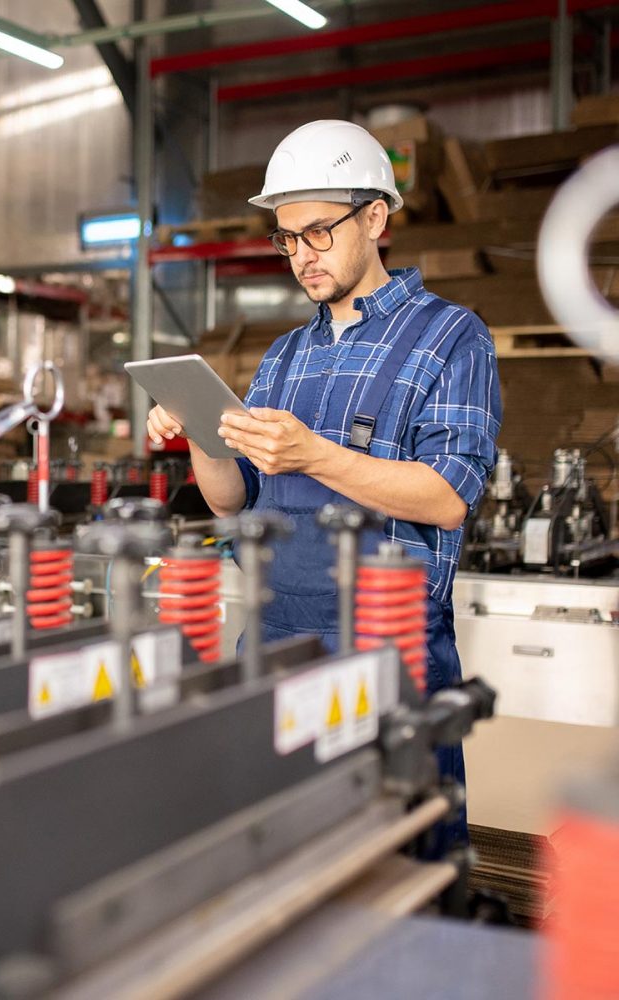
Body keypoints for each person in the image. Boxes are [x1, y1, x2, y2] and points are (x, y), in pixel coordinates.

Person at [147, 120, 502, 848]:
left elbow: (446, 496)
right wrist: (201, 433)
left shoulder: (452, 336)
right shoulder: (283, 356)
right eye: (286, 238)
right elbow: (231, 500)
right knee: (270, 846)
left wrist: (313, 455)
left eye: (319, 232)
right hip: (275, 628)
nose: (301, 256)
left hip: (387, 640)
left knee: (402, 853)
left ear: (375, 216)